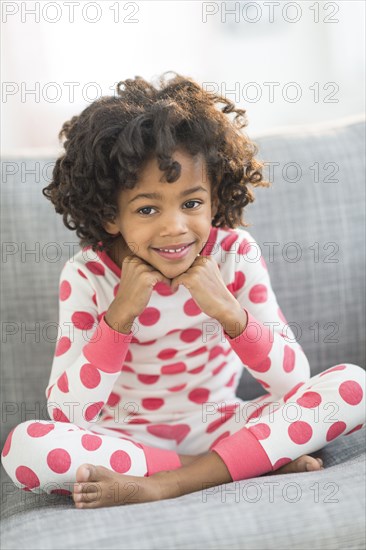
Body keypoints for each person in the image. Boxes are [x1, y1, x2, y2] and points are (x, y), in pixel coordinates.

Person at [2, 72, 365, 509]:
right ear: (111, 214)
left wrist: (230, 313)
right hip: (125, 437)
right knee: (25, 447)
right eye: (148, 208)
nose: (174, 227)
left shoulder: (234, 254)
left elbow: (292, 383)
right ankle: (234, 464)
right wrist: (119, 317)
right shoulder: (86, 275)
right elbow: (68, 414)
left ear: (215, 198)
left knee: (353, 386)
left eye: (191, 203)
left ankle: (169, 482)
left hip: (224, 423)